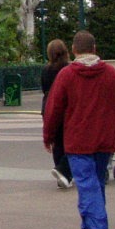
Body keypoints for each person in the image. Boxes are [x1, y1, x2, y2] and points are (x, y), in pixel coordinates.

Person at [43, 31, 115, 229]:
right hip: (104, 138)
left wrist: (49, 135)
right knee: (95, 183)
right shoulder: (111, 74)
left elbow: (54, 109)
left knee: (86, 184)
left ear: (74, 50)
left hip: (78, 139)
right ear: (94, 49)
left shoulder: (67, 76)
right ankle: (88, 225)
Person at [41, 39, 73, 189]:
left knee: (57, 140)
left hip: (48, 106)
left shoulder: (46, 70)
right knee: (70, 140)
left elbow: (44, 88)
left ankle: (60, 171)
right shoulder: (68, 68)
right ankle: (64, 170)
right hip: (65, 106)